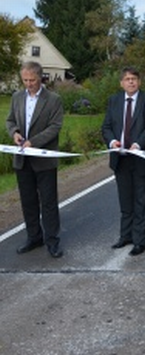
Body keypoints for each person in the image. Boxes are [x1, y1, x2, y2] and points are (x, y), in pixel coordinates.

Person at [6, 61, 64, 258]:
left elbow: (55, 126)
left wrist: (34, 142)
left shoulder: (54, 99)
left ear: (40, 78)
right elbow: (10, 120)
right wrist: (15, 133)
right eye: (25, 80)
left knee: (48, 202)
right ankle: (34, 237)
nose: (28, 83)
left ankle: (52, 241)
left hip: (44, 159)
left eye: (32, 80)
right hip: (22, 160)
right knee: (28, 201)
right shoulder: (17, 97)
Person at [102, 67, 145, 256]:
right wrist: (112, 141)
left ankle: (140, 241)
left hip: (142, 158)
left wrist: (138, 144)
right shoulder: (114, 101)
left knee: (141, 201)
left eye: (134, 79)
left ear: (139, 82)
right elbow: (106, 126)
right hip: (121, 158)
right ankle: (125, 236)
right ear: (121, 83)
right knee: (125, 200)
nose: (130, 82)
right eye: (127, 79)